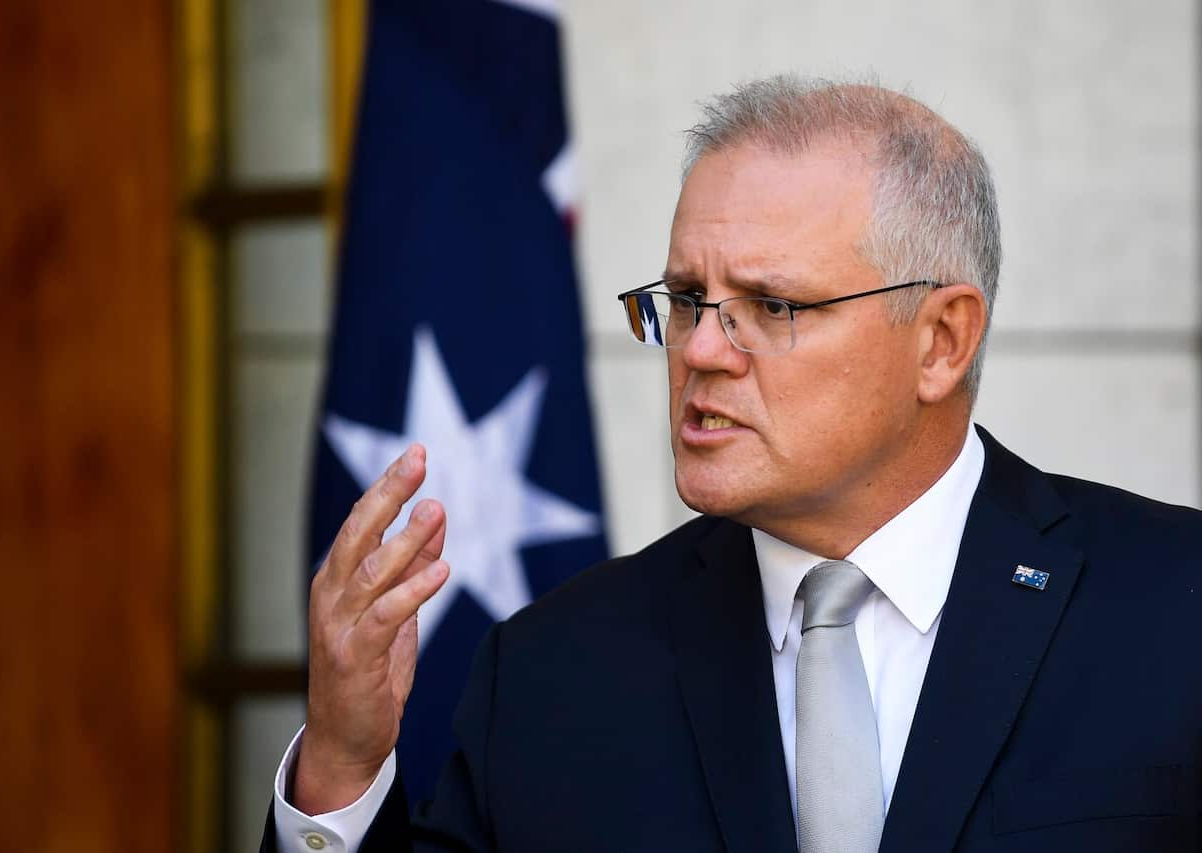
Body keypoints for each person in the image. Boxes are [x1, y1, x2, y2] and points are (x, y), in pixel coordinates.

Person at [261, 76, 1202, 852]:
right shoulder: (553, 672)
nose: (701, 349)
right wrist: (341, 768)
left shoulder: (1171, 612)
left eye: (772, 305)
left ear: (941, 341)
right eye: (685, 297)